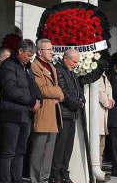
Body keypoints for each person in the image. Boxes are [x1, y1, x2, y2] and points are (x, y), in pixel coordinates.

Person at [0, 39, 41, 183]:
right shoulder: (8, 65)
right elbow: (11, 90)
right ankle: (6, 179)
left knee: (20, 151)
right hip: (11, 114)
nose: (31, 58)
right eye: (29, 55)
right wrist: (31, 101)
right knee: (8, 151)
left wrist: (38, 98)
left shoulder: (27, 67)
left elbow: (33, 86)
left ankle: (17, 178)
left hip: (25, 115)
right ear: (20, 51)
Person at [29, 39, 63, 183]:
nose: (51, 52)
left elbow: (56, 91)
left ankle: (44, 178)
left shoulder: (51, 67)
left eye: (51, 49)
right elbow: (41, 89)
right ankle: (36, 179)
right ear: (40, 52)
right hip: (43, 113)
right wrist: (58, 92)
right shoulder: (35, 67)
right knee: (39, 149)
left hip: (53, 113)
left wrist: (57, 93)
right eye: (48, 49)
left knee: (49, 151)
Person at [51, 49, 84, 183]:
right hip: (64, 113)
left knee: (68, 147)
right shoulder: (59, 70)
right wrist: (78, 103)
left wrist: (81, 100)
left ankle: (64, 172)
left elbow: (79, 89)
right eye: (74, 61)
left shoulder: (71, 73)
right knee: (60, 146)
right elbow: (63, 92)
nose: (75, 65)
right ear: (65, 58)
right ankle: (56, 174)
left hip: (72, 114)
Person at [98, 71, 114, 168]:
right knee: (97, 143)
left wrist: (111, 100)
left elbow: (109, 91)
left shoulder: (105, 78)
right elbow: (100, 92)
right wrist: (107, 102)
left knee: (102, 144)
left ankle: (99, 166)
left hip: (104, 114)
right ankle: (96, 166)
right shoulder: (97, 76)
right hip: (98, 112)